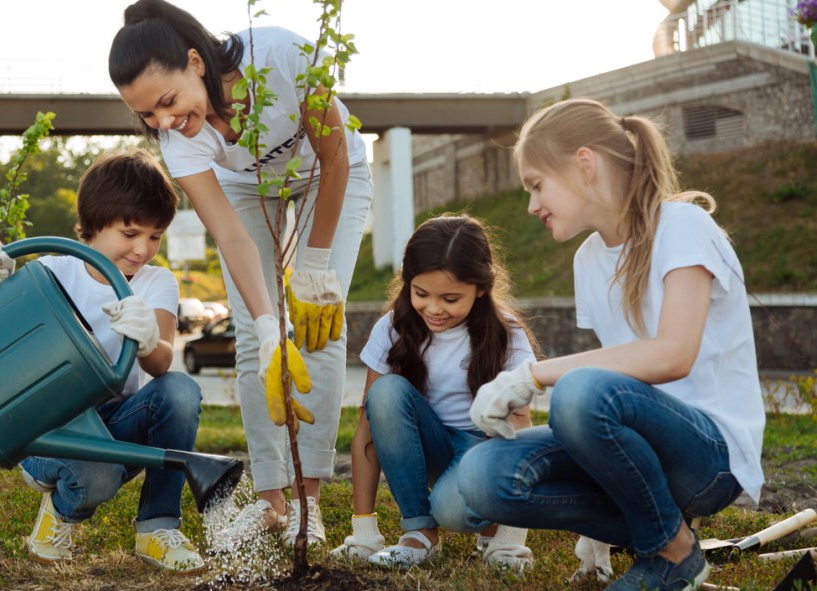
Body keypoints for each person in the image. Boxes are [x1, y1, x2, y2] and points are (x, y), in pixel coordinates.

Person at [448, 98, 765, 590]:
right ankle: (668, 541)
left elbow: (671, 354)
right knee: (482, 475)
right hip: (642, 452)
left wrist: (530, 376)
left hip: (709, 455)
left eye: (537, 185)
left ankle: (671, 553)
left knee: (579, 392)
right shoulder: (588, 260)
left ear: (584, 164)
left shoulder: (683, 227)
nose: (532, 205)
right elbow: (616, 380)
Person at [108, 0, 373, 547]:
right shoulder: (178, 138)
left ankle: (308, 501)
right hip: (246, 189)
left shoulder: (281, 54)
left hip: (329, 173)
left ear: (196, 63)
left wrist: (315, 269)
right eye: (147, 116)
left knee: (322, 325)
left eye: (167, 102)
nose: (164, 122)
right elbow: (231, 237)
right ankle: (273, 502)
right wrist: (271, 324)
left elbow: (336, 158)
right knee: (257, 336)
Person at [0, 149, 206, 573]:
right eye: (130, 233)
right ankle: (60, 509)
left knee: (181, 391)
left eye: (154, 236)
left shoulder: (155, 282)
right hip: (51, 428)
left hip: (113, 423)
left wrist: (148, 339)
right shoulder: (53, 271)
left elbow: (162, 362)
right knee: (97, 477)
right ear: (94, 224)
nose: (143, 249)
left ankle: (157, 528)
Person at [329, 214, 539, 568]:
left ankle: (492, 526)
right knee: (384, 394)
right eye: (421, 293)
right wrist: (363, 531)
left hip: (486, 453)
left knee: (451, 509)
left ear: (482, 288)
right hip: (431, 448)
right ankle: (419, 532)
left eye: (451, 298)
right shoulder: (393, 328)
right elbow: (368, 425)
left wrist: (512, 539)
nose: (434, 308)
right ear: (407, 281)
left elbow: (520, 429)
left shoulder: (507, 334)